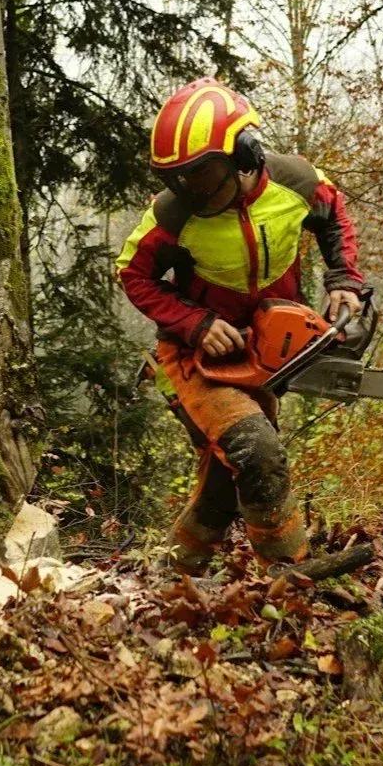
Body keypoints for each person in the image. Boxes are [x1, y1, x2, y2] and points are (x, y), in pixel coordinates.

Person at [116, 78, 368, 572]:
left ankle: (175, 572)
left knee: (224, 479)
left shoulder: (296, 183)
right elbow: (133, 274)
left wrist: (344, 279)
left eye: (203, 175)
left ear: (246, 154)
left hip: (263, 350)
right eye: (179, 178)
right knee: (255, 451)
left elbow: (333, 213)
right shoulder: (174, 214)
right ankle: (288, 572)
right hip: (196, 358)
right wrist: (193, 322)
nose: (191, 189)